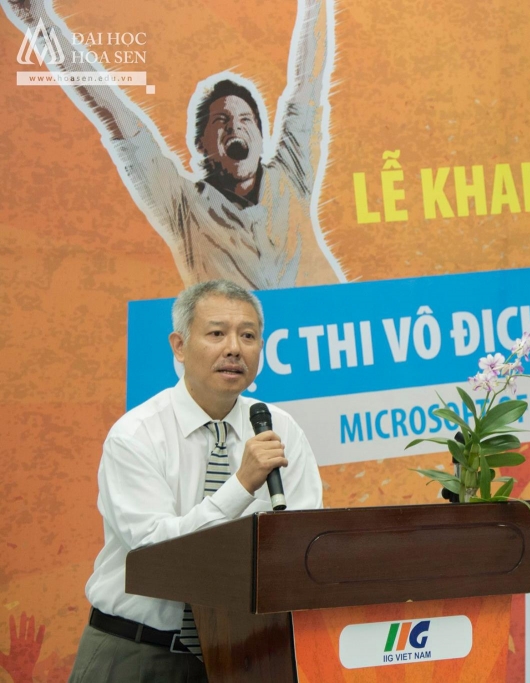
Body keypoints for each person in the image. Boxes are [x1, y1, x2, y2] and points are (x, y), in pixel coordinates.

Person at [68, 280, 324, 682]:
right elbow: (155, 553)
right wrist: (240, 486)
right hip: (138, 652)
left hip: (246, 654)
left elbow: (306, 541)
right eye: (217, 333)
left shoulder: (280, 428)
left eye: (248, 336)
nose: (234, 349)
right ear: (180, 346)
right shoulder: (136, 435)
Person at [4, 0, 345, 289]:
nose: (234, 127)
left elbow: (308, 81)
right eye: (221, 121)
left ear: (259, 133)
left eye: (245, 119)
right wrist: (37, 20)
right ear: (201, 144)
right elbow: (115, 114)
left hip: (328, 336)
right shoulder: (183, 207)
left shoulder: (292, 176)